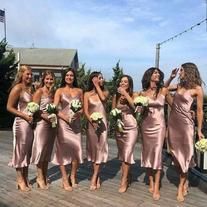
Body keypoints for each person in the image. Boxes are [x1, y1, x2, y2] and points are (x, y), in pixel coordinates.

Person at [167, 62, 204, 202]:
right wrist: (170, 77)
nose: (179, 72)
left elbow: (200, 111)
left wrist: (199, 130)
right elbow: (163, 89)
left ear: (188, 71)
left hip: (187, 125)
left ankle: (180, 186)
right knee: (176, 158)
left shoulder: (197, 89)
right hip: (173, 124)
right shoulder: (178, 86)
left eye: (181, 70)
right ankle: (185, 179)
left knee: (186, 155)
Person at [140, 67, 170, 200]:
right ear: (149, 76)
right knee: (147, 154)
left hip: (159, 126)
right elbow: (139, 112)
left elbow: (174, 105)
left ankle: (157, 185)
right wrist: (140, 107)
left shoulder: (163, 90)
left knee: (157, 155)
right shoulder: (142, 93)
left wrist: (188, 112)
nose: (157, 74)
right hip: (146, 125)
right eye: (155, 73)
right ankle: (151, 180)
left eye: (158, 73)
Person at [52, 68, 83, 191]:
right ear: (64, 77)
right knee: (63, 151)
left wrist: (78, 114)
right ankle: (65, 178)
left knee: (76, 149)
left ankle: (73, 176)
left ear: (74, 77)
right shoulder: (59, 91)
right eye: (67, 75)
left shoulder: (79, 91)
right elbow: (54, 108)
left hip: (75, 123)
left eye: (71, 75)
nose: (69, 77)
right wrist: (64, 117)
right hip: (63, 124)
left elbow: (82, 108)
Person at [7, 65, 34, 192]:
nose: (29, 76)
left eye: (31, 74)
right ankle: (19, 180)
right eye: (27, 74)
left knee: (28, 151)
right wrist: (24, 115)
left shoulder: (31, 88)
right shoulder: (18, 88)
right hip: (21, 124)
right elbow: (9, 107)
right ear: (22, 74)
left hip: (31, 125)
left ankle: (26, 177)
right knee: (20, 151)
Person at [112, 75, 138, 193]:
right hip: (119, 126)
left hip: (131, 126)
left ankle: (123, 180)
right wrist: (116, 118)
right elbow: (112, 111)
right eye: (121, 81)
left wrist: (126, 95)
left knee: (127, 152)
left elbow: (135, 107)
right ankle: (128, 174)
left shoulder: (134, 94)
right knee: (123, 154)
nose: (122, 83)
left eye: (125, 82)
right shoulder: (115, 95)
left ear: (129, 84)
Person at [30, 70, 56, 189]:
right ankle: (40, 177)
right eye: (47, 79)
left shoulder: (53, 92)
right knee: (40, 151)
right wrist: (46, 117)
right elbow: (35, 110)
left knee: (47, 151)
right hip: (41, 124)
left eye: (51, 79)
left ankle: (45, 175)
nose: (49, 81)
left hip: (52, 125)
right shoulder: (39, 92)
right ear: (43, 79)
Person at [84, 71, 109, 191]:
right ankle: (97, 175)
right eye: (98, 78)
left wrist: (97, 86)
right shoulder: (87, 94)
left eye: (101, 78)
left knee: (100, 150)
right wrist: (92, 122)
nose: (101, 79)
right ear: (92, 80)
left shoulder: (105, 92)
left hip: (103, 125)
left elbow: (103, 99)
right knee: (94, 151)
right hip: (91, 125)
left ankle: (94, 177)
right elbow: (86, 111)